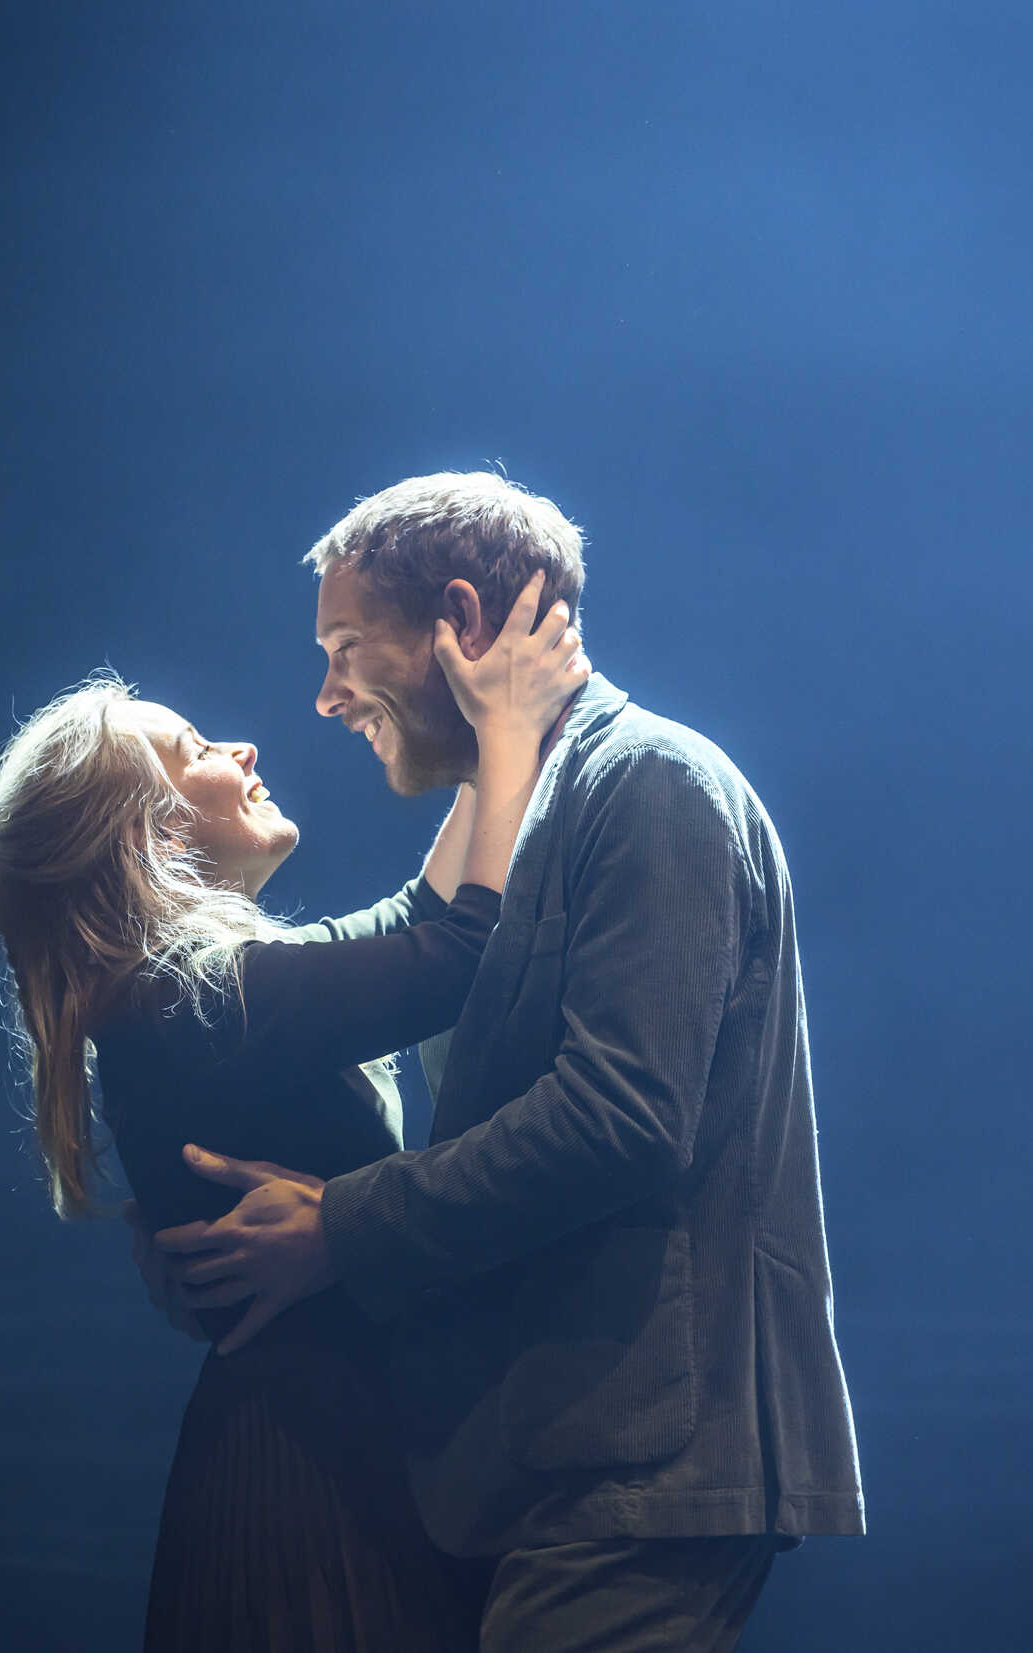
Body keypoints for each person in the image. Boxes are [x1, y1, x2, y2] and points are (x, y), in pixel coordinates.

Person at [152, 473, 865, 1653]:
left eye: (343, 648)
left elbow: (620, 1116)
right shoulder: (526, 808)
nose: (324, 697)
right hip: (544, 1466)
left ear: (462, 624)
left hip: (639, 1469)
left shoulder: (651, 787)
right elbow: (377, 953)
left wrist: (341, 1227)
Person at [0, 573, 590, 1651]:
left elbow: (417, 925)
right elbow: (461, 953)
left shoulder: (180, 1002)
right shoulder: (191, 1001)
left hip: (306, 1460)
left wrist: (489, 745)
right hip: (316, 1487)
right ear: (146, 837)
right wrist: (510, 728)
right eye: (192, 747)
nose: (240, 748)